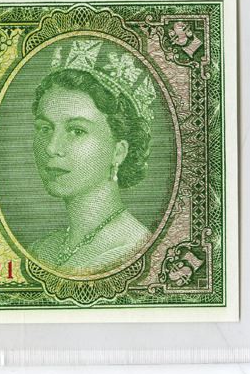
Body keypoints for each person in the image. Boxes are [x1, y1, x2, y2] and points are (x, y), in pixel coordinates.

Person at [29, 38, 156, 276]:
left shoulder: (132, 250)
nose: (51, 148)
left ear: (118, 152)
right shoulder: (42, 250)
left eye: (77, 131)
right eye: (45, 129)